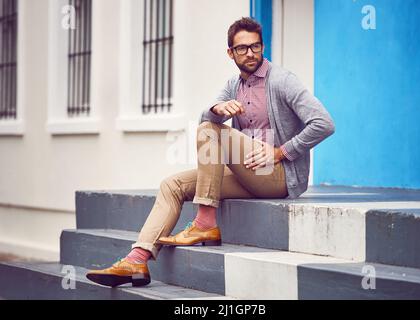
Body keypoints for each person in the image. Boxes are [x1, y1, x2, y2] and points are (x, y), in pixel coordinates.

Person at [86, 17, 335, 288]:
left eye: (255, 47)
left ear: (263, 47)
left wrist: (281, 152)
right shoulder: (234, 85)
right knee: (172, 185)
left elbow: (324, 123)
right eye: (242, 48)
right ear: (231, 53)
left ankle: (204, 221)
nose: (250, 53)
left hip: (278, 176)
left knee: (209, 130)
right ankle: (137, 260)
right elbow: (208, 115)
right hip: (247, 175)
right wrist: (217, 109)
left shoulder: (283, 81)